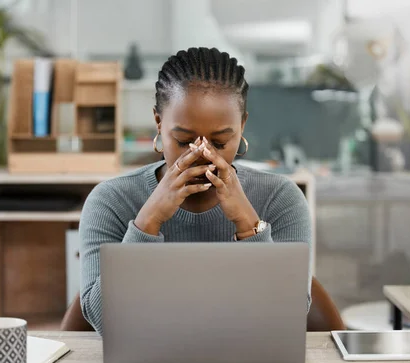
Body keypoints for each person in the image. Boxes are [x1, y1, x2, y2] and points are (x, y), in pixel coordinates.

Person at [79, 47, 312, 335]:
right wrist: (147, 222)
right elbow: (103, 320)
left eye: (220, 142)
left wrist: (248, 224)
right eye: (184, 140)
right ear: (158, 124)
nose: (202, 155)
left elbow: (286, 318)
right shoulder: (111, 201)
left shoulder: (281, 199)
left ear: (242, 127)